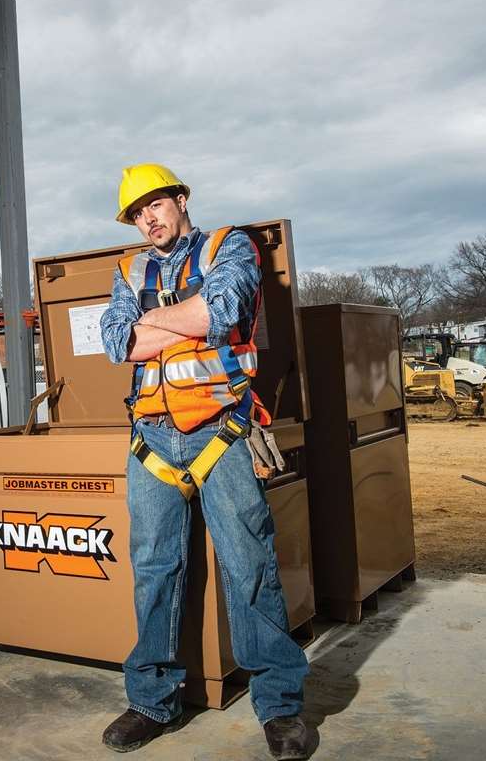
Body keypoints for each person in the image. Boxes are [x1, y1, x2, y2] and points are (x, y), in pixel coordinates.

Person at [99, 164, 310, 759]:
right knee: (154, 568)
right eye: (136, 213)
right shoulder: (128, 269)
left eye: (155, 205)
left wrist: (152, 321)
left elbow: (219, 314)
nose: (147, 219)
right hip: (151, 440)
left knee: (250, 565)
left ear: (180, 199)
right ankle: (151, 702)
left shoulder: (229, 245)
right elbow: (118, 343)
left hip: (222, 431)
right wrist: (180, 319)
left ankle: (280, 707)